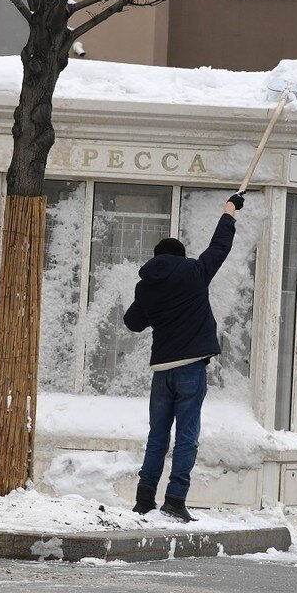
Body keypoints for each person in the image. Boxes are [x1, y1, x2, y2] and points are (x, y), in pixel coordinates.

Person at [123, 192, 245, 522]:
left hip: (162, 371)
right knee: (187, 438)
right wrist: (229, 213)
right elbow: (219, 247)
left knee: (157, 436)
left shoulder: (145, 286)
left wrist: (151, 307)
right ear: (180, 256)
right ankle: (175, 499)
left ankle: (144, 497)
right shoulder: (193, 273)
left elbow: (132, 323)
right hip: (191, 367)